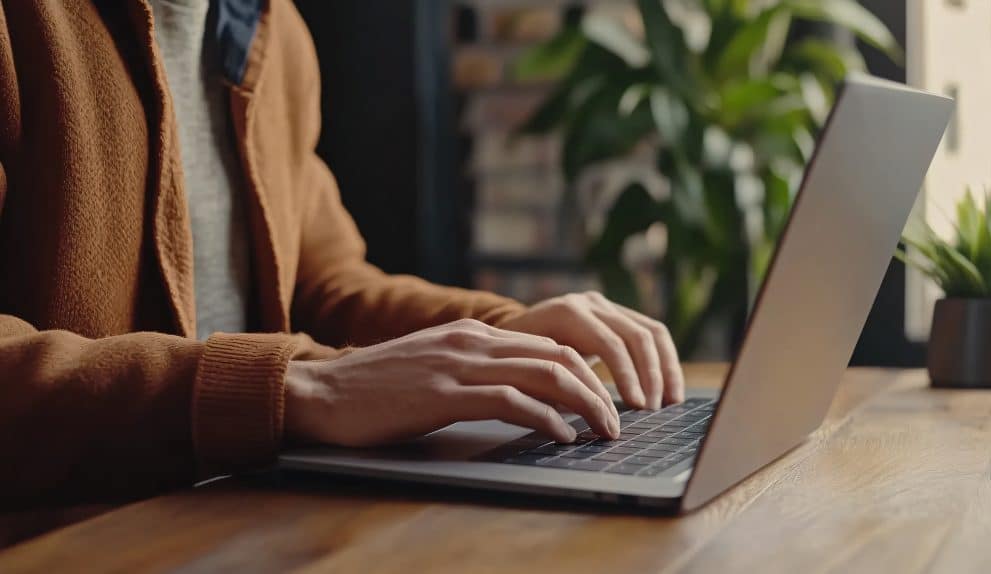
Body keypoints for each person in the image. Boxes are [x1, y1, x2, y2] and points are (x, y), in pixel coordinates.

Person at [0, 0, 684, 525]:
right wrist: (297, 389)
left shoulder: (270, 28)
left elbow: (327, 284)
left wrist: (506, 334)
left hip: (242, 520)